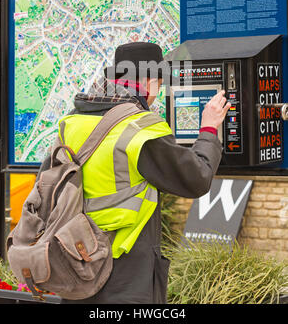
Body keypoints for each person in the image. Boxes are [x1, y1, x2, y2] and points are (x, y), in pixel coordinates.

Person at [38, 41, 231, 304]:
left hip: (75, 262)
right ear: (148, 81)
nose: (157, 93)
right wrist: (209, 129)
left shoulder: (72, 122)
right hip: (123, 274)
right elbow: (197, 178)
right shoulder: (139, 129)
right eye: (159, 84)